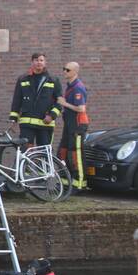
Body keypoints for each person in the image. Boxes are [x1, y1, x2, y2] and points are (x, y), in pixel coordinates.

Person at [9, 52, 62, 147]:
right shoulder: (23, 79)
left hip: (45, 123)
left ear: (45, 63)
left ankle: (43, 162)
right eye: (36, 60)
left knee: (44, 152)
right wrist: (13, 119)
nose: (39, 62)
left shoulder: (53, 80)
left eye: (41, 60)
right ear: (32, 62)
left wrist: (52, 115)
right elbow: (17, 100)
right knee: (26, 151)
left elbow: (60, 101)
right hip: (27, 124)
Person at [57, 62, 90, 190]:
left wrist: (64, 104)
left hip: (77, 125)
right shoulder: (70, 86)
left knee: (76, 153)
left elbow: (81, 108)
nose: (65, 72)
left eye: (68, 70)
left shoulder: (78, 87)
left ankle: (80, 183)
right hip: (69, 124)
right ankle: (66, 180)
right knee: (63, 151)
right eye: (64, 69)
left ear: (75, 72)